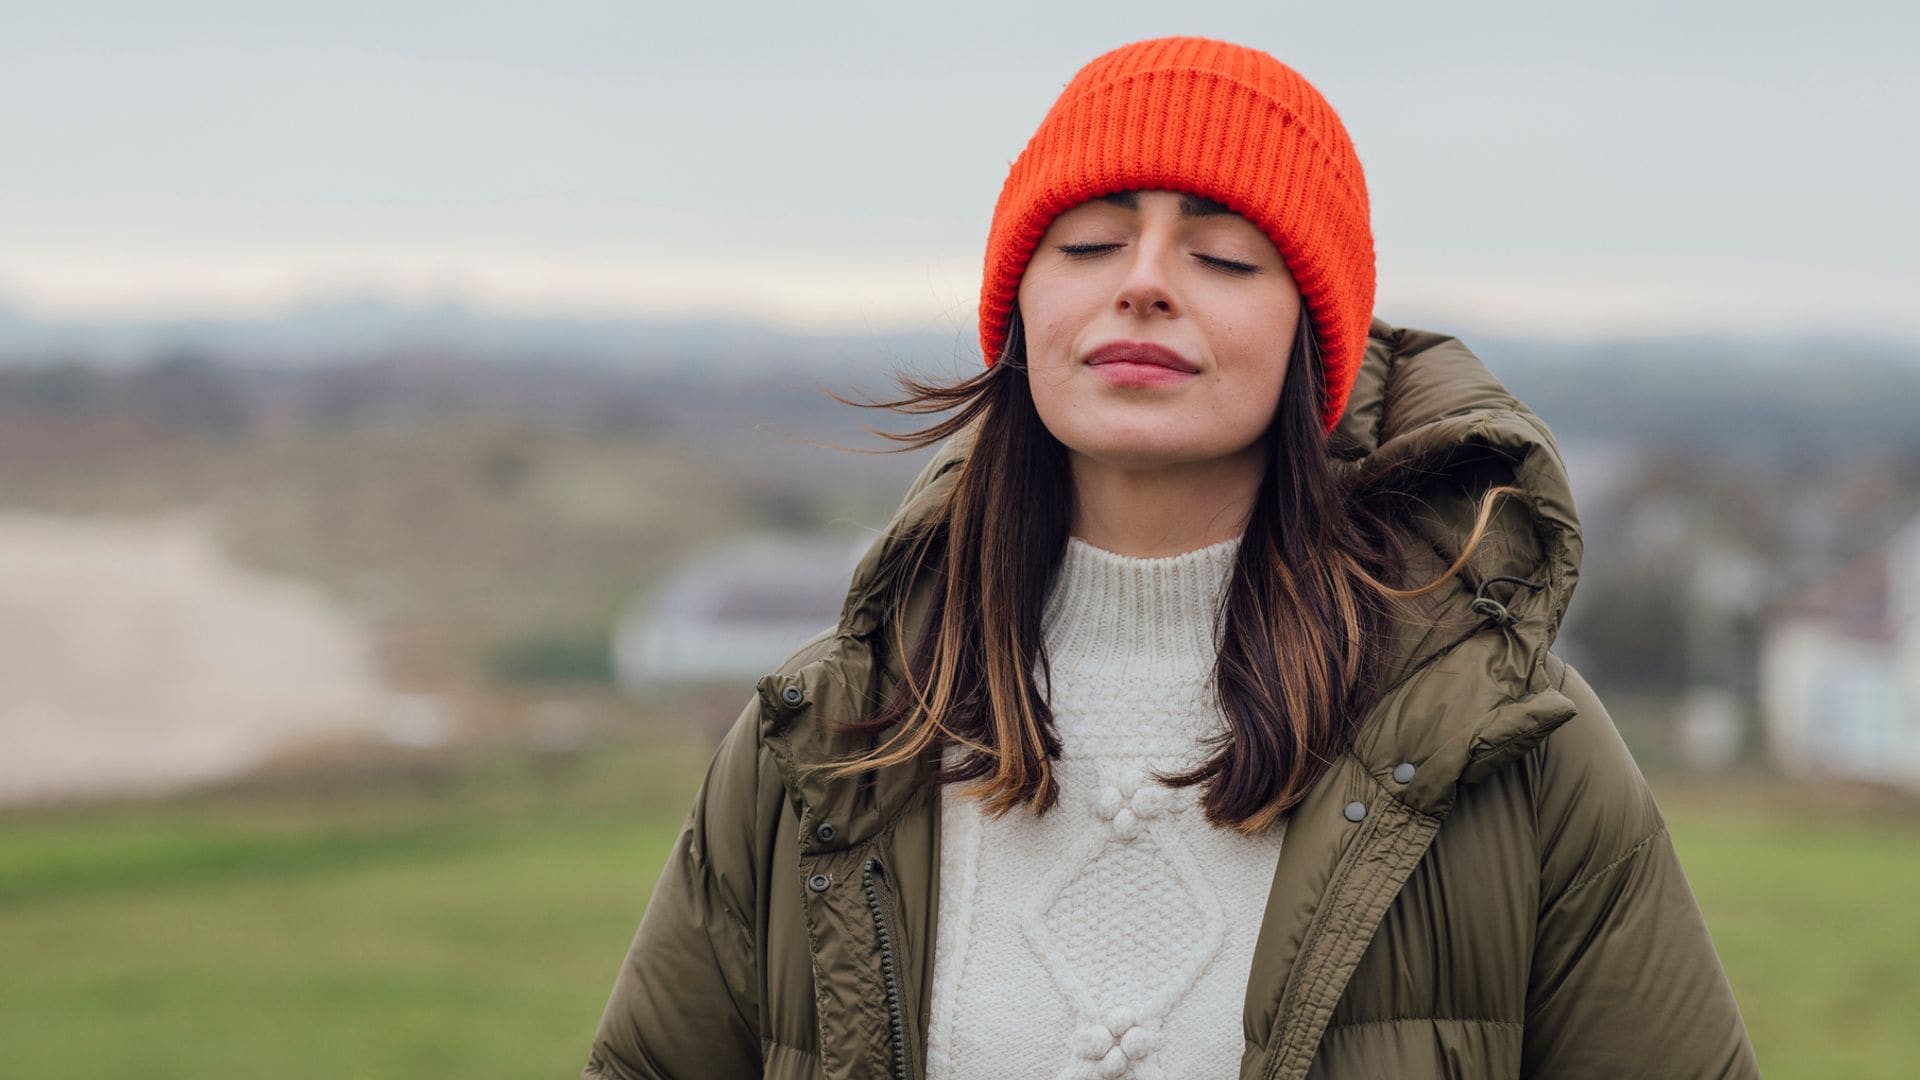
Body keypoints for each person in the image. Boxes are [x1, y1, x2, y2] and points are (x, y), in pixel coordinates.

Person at [582, 35, 1759, 1080]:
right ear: (1019, 312)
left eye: (1225, 259)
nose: (1142, 283)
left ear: (1314, 342)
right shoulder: (828, 739)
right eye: (1090, 242)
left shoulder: (1511, 753)